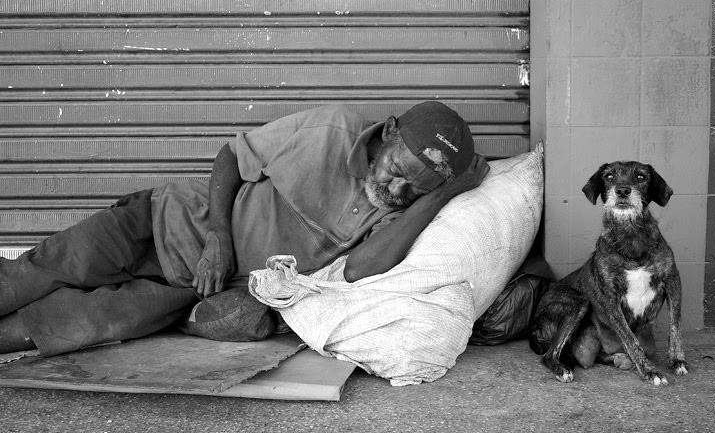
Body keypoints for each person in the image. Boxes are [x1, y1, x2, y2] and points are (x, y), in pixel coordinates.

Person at [0, 101, 489, 357]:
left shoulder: (403, 211)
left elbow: (362, 269)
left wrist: (439, 196)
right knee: (42, 270)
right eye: (396, 169)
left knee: (80, 326)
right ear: (388, 132)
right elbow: (233, 155)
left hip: (192, 289)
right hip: (163, 221)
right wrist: (218, 236)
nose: (397, 188)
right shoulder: (331, 129)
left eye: (416, 188)